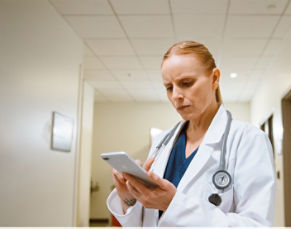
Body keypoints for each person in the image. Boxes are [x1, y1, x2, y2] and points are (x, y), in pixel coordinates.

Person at [106, 41, 276, 226]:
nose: (176, 95)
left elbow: (256, 224)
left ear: (214, 79)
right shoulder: (162, 141)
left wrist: (174, 205)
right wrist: (128, 198)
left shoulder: (247, 139)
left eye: (186, 83)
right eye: (169, 87)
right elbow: (148, 222)